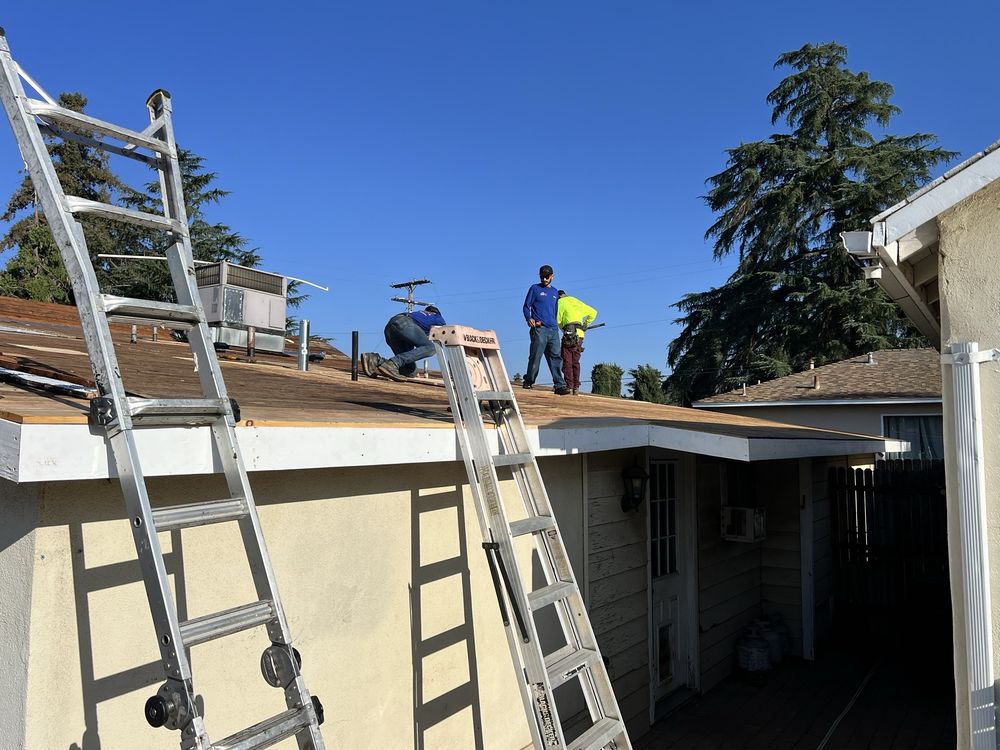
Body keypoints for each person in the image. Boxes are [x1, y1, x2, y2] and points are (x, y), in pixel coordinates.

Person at [360, 305, 445, 382]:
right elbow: (444, 333)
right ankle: (393, 364)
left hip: (391, 326)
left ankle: (375, 360)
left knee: (410, 371)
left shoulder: (419, 315)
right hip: (405, 324)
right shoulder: (438, 318)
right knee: (431, 348)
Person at [522, 264, 569, 395]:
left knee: (556, 357)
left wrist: (557, 326)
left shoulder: (555, 292)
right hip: (539, 328)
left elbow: (555, 311)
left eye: (546, 276)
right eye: (542, 276)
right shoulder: (534, 288)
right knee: (535, 356)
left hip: (553, 330)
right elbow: (526, 306)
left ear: (552, 276)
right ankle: (529, 380)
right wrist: (528, 318)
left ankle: (559, 385)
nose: (544, 279)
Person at [557, 290, 597, 395]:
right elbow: (593, 312)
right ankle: (576, 387)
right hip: (580, 335)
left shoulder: (560, 302)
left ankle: (569, 386)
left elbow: (558, 320)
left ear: (558, 296)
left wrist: (563, 330)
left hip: (569, 335)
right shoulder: (576, 301)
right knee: (575, 361)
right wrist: (585, 325)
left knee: (567, 361)